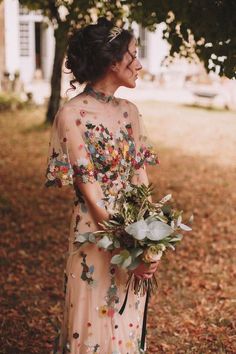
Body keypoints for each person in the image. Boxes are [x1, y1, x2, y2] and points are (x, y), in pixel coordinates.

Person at [45, 17, 159, 354]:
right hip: (94, 239)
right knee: (94, 331)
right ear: (112, 61)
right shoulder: (72, 115)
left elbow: (141, 180)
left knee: (126, 329)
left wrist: (151, 241)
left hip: (132, 233)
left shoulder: (130, 112)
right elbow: (91, 193)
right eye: (133, 55)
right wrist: (129, 249)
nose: (139, 64)